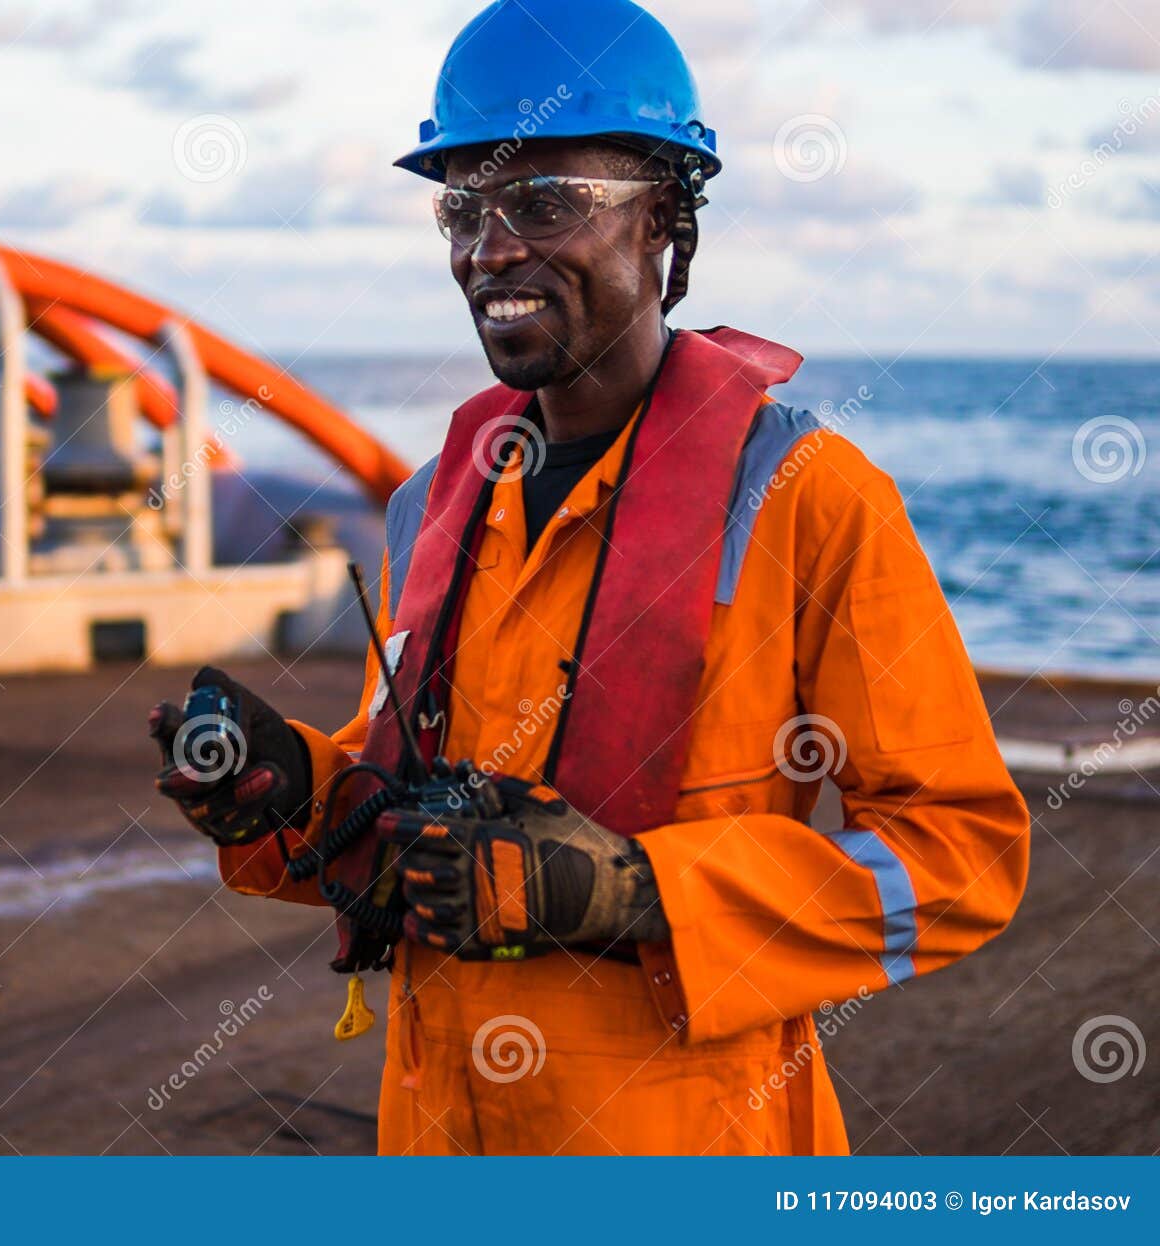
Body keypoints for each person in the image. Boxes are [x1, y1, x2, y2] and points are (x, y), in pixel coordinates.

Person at [149, 0, 1029, 1155]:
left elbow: (956, 858)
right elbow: (405, 821)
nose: (489, 248)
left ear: (662, 218)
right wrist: (285, 794)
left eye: (543, 202)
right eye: (462, 207)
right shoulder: (438, 503)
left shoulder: (805, 497)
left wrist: (641, 892)